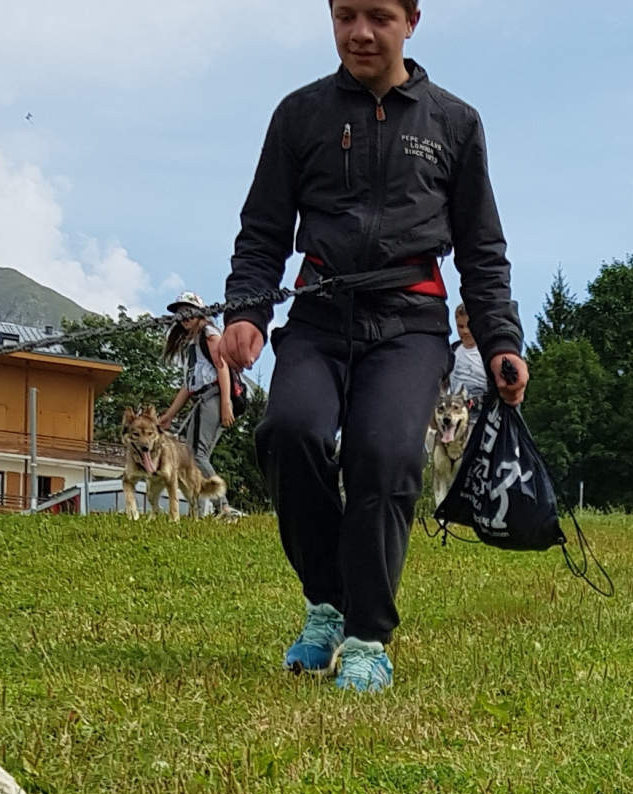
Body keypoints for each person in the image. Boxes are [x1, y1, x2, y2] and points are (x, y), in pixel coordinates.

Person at [216, 0, 529, 692]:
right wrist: (247, 313)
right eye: (346, 15)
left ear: (412, 20)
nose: (361, 32)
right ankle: (329, 602)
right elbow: (263, 230)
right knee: (288, 432)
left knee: (383, 456)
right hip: (320, 312)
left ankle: (366, 640)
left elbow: (482, 247)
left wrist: (501, 338)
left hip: (410, 320)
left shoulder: (455, 122)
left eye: (380, 16)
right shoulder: (299, 115)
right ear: (331, 17)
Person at [157, 292, 236, 517]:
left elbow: (222, 367)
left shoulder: (209, 334)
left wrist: (226, 403)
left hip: (213, 396)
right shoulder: (191, 342)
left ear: (200, 312)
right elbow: (189, 385)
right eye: (180, 313)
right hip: (201, 398)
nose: (185, 316)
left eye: (189, 310)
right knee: (190, 455)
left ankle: (223, 506)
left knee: (196, 454)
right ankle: (200, 510)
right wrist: (170, 414)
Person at [447, 303, 489, 401]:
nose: (465, 331)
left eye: (469, 326)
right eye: (461, 327)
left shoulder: (487, 352)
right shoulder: (452, 351)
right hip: (457, 410)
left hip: (484, 409)